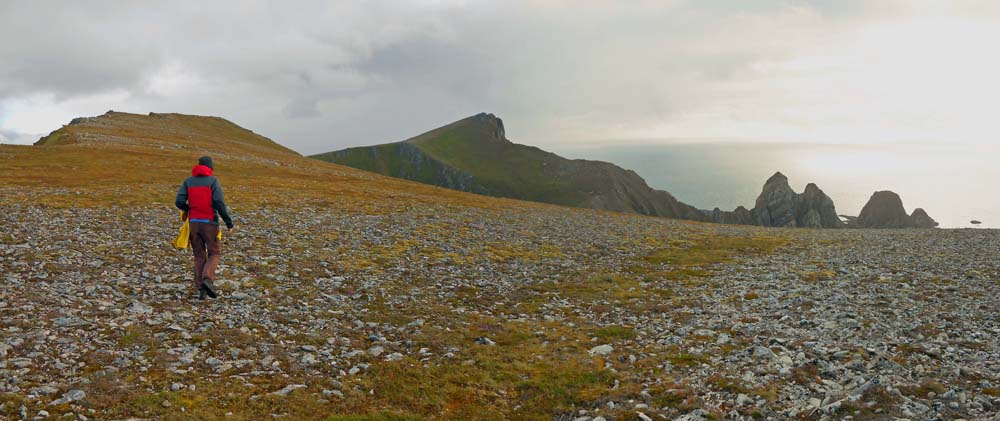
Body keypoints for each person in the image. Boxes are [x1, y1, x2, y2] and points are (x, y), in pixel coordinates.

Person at [175, 156, 234, 299]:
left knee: (199, 255)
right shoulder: (213, 181)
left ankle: (201, 288)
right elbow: (218, 202)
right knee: (215, 253)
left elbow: (179, 201)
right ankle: (207, 279)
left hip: (193, 223)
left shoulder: (188, 181)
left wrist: (189, 208)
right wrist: (228, 222)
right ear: (210, 168)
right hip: (209, 223)